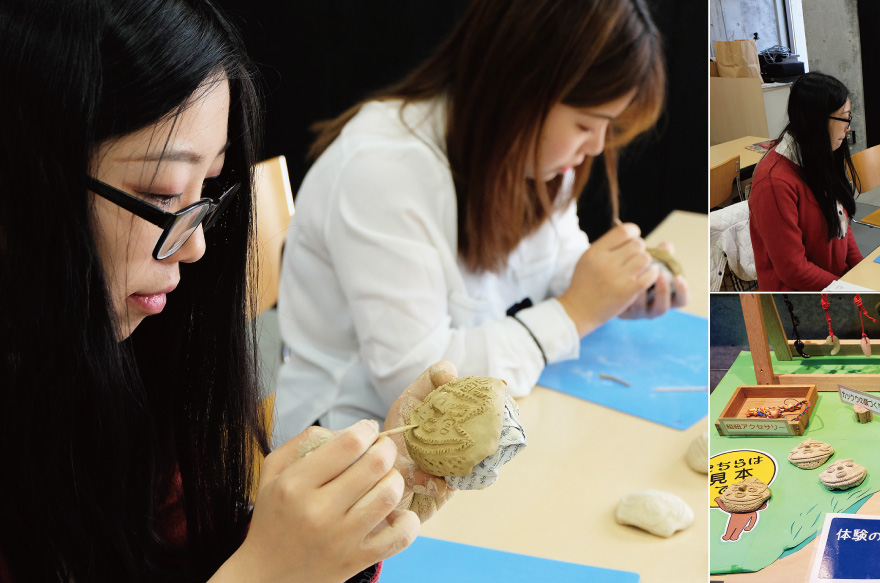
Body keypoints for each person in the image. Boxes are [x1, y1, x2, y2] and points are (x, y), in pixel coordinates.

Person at [0, 1, 443, 580]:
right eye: (161, 194)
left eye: (207, 187)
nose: (195, 247)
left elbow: (177, 544)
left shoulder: (121, 362)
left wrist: (349, 519)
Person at [272, 0, 686, 443]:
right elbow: (421, 388)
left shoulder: (535, 161)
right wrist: (575, 312)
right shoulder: (381, 170)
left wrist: (616, 289)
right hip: (354, 445)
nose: (597, 146)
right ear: (519, 89)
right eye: (587, 124)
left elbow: (558, 264)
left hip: (479, 432)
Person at [747, 73, 863, 291]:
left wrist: (861, 273)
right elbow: (794, 271)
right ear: (817, 121)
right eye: (844, 118)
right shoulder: (774, 182)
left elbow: (842, 224)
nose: (848, 127)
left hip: (833, 285)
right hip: (799, 299)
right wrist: (848, 288)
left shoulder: (818, 154)